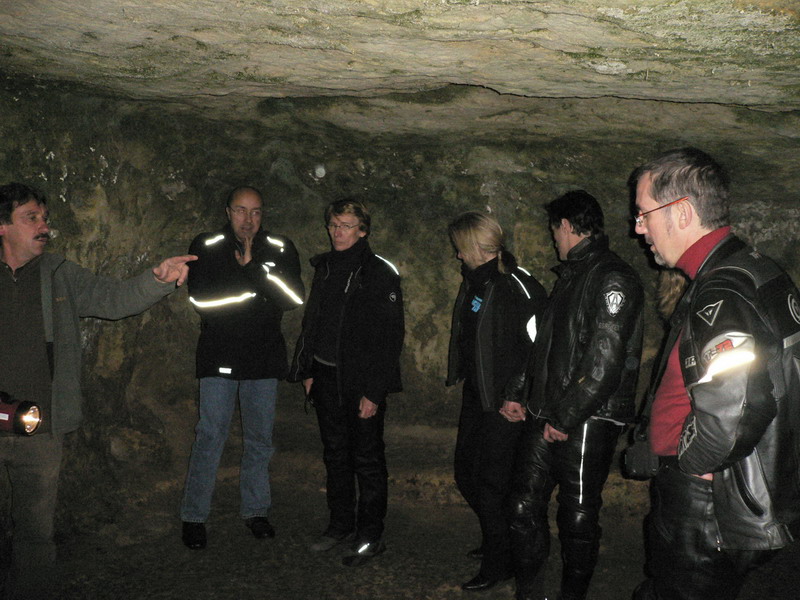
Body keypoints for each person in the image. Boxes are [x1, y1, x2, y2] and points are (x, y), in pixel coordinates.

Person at [0, 182, 195, 599]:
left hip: (39, 429)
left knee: (35, 535)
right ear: (2, 226)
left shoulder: (59, 274)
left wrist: (156, 280)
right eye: (31, 218)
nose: (44, 227)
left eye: (45, 218)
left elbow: (114, 299)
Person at [630, 148, 800, 600]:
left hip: (707, 503)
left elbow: (734, 411)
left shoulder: (722, 292)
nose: (638, 227)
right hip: (730, 487)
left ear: (682, 212)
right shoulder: (755, 269)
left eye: (644, 214)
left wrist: (689, 464)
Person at [509, 190, 644, 600]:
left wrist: (565, 417)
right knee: (522, 506)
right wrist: (519, 391)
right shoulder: (571, 275)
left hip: (589, 417)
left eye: (555, 229)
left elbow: (604, 361)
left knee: (578, 516)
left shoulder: (612, 277)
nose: (553, 238)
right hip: (548, 408)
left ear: (566, 226)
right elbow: (545, 345)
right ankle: (531, 592)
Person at [180, 185, 304, 550]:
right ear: (227, 211)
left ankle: (256, 511)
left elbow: (293, 298)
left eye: (255, 212)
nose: (248, 219)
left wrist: (254, 271)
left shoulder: (280, 247)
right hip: (218, 355)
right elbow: (203, 300)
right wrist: (258, 293)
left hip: (263, 358)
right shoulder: (206, 245)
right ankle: (194, 516)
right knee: (210, 435)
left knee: (260, 440)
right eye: (240, 210)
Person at [289, 198, 403, 567]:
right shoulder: (324, 267)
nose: (338, 232)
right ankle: (340, 525)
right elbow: (314, 321)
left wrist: (374, 392)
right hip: (325, 376)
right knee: (335, 455)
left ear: (363, 231)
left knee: (366, 459)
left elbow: (390, 337)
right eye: (334, 225)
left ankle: (370, 535)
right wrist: (308, 370)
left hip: (360, 382)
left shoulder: (379, 273)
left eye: (347, 226)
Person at [446, 212, 547, 591]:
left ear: (476, 247)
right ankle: (500, 541)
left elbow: (539, 348)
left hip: (506, 404)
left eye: (461, 248)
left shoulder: (518, 286)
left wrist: (516, 394)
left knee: (491, 483)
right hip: (479, 394)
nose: (457, 255)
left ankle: (499, 561)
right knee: (466, 473)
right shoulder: (476, 280)